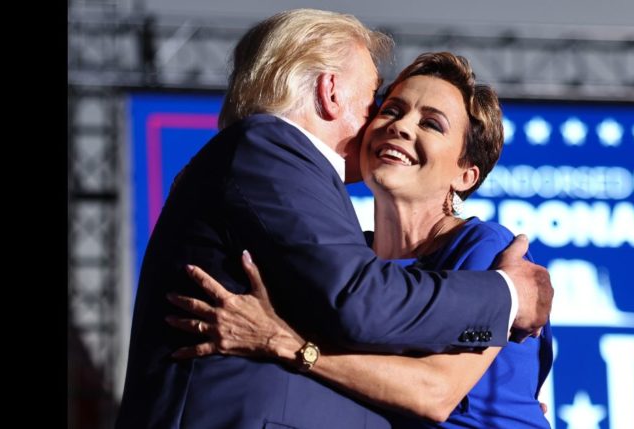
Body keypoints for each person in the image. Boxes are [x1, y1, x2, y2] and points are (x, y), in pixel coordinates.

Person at [117, 9, 553, 429]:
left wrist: (285, 343)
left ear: (465, 174)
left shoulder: (489, 250)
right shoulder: (347, 257)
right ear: (330, 90)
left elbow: (435, 395)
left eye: (432, 124)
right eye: (389, 108)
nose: (400, 127)